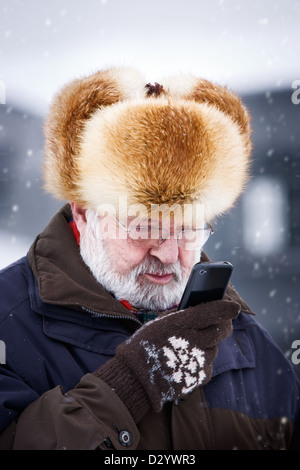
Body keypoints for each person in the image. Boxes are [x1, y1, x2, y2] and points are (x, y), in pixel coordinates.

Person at [0, 67, 299, 451]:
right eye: (143, 226)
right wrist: (131, 383)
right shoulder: (7, 324)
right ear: (84, 212)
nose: (169, 253)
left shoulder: (246, 343)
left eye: (189, 227)